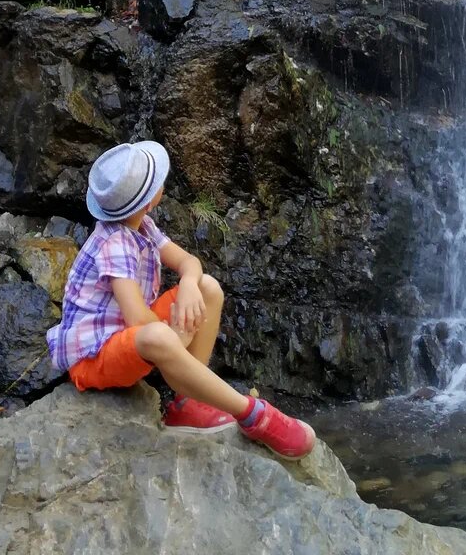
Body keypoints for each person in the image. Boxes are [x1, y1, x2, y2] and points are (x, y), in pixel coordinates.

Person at [46, 139, 315, 458]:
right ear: (149, 201)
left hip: (127, 336)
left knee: (208, 286)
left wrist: (188, 282)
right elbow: (135, 318)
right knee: (160, 334)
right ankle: (252, 414)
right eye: (159, 182)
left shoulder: (142, 225)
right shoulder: (115, 242)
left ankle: (189, 403)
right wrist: (176, 334)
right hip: (94, 357)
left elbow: (189, 263)